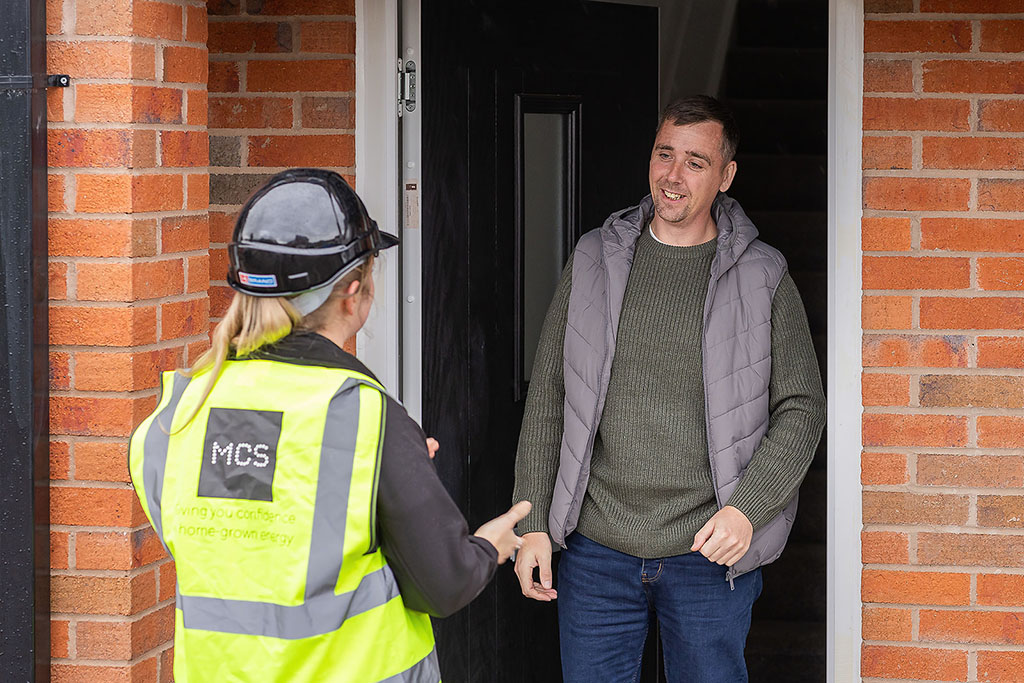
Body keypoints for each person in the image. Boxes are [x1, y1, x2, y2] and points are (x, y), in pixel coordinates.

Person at [129, 168, 530, 683]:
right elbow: (442, 584)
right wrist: (487, 547)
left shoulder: (177, 413)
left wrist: (375, 485)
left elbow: (242, 544)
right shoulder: (363, 416)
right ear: (353, 293)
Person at [511, 95, 826, 682]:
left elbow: (802, 407)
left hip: (708, 553)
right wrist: (531, 524)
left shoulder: (763, 275)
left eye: (695, 162)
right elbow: (551, 393)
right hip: (595, 550)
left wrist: (747, 511)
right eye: (664, 154)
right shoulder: (593, 258)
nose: (673, 176)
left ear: (726, 176)